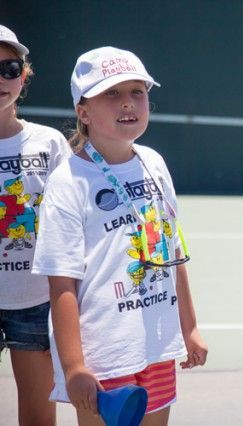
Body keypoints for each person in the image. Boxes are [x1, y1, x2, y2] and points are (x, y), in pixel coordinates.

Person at [31, 46, 207, 425]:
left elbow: (173, 251)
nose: (128, 103)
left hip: (157, 344)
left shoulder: (155, 164)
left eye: (137, 92)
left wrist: (189, 327)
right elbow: (61, 282)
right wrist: (75, 366)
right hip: (103, 354)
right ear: (83, 111)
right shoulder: (68, 181)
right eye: (111, 93)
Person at [0, 24, 72, 425]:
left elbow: (68, 225)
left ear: (24, 77)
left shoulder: (49, 143)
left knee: (38, 414)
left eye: (8, 69)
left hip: (35, 300)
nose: (0, 80)